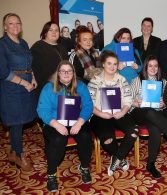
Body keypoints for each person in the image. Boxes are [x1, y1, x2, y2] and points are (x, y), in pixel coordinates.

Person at [37, 60, 93, 192]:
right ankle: (51, 174)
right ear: (58, 73)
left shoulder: (80, 86)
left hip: (76, 121)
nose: (66, 74)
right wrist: (56, 124)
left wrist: (80, 122)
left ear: (73, 73)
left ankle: (84, 167)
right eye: (63, 71)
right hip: (54, 122)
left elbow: (88, 105)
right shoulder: (49, 88)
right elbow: (42, 110)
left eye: (69, 71)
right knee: (58, 139)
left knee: (85, 136)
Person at [130, 55, 167, 178]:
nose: (153, 68)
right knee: (149, 111)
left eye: (155, 66)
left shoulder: (163, 82)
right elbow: (127, 100)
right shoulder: (137, 80)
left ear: (158, 68)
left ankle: (150, 164)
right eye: (150, 65)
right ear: (145, 67)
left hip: (156, 115)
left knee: (155, 130)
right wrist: (136, 102)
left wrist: (163, 103)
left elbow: (166, 102)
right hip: (139, 112)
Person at [88, 51, 138, 176]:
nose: (112, 67)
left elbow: (128, 100)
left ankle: (117, 158)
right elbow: (89, 104)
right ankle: (119, 158)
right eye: (109, 63)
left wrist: (123, 112)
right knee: (108, 139)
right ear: (103, 64)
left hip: (119, 113)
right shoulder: (95, 80)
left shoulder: (122, 80)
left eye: (115, 64)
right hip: (100, 116)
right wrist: (101, 114)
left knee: (134, 130)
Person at [0, 13, 37, 171]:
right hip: (12, 88)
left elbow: (29, 64)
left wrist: (33, 77)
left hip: (27, 85)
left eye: (18, 23)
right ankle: (19, 154)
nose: (15, 26)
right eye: (11, 23)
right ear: (5, 27)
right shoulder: (2, 44)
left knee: (21, 122)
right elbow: (3, 72)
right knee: (16, 122)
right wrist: (23, 83)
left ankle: (14, 150)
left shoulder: (23, 43)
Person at [31, 21, 68, 100]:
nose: (54, 32)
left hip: (62, 88)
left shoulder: (63, 48)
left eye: (56, 30)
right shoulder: (38, 47)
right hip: (44, 89)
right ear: (45, 33)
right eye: (50, 30)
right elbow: (30, 67)